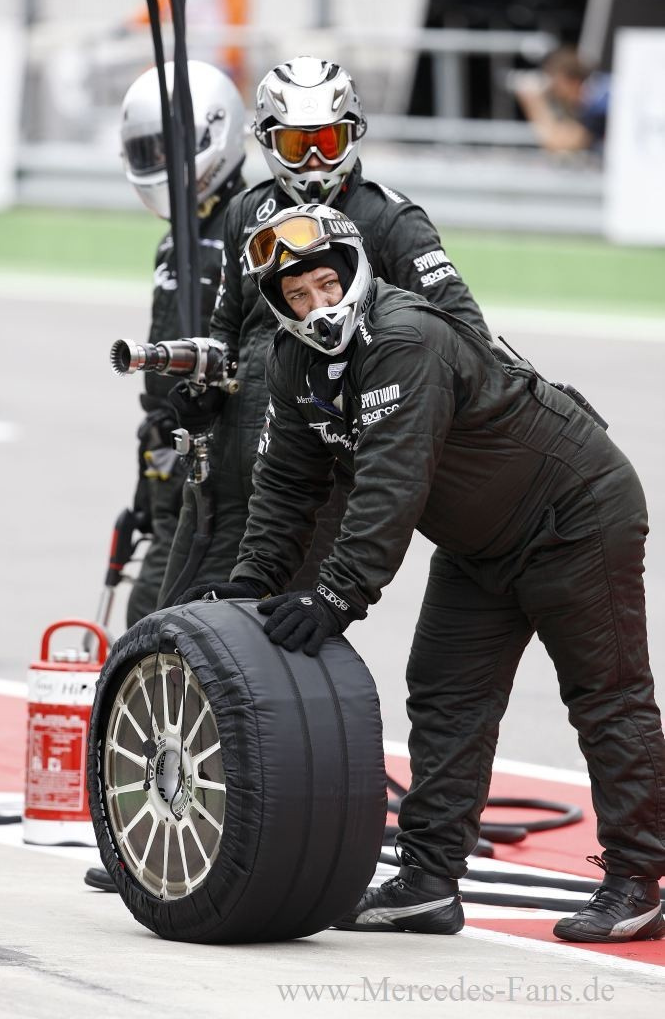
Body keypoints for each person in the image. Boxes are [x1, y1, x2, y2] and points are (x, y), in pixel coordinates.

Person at [182, 203, 665, 944]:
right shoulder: (291, 360)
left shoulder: (406, 337)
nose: (316, 304)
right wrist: (250, 585)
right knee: (444, 694)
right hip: (480, 541)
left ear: (354, 271)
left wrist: (335, 598)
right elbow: (286, 485)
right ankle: (427, 883)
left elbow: (390, 485)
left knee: (605, 695)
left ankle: (637, 881)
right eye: (297, 295)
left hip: (575, 513)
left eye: (325, 283)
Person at [157, 54, 490, 605]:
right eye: (296, 145)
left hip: (316, 484)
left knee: (279, 638)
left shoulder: (390, 220)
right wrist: (204, 392)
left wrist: (386, 407)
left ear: (354, 134)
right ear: (267, 142)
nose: (314, 160)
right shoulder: (244, 212)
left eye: (329, 141)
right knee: (170, 622)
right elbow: (227, 329)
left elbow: (466, 338)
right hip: (228, 474)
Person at [119, 59, 247, 626]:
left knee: (174, 619)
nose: (161, 165)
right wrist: (146, 484)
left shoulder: (252, 230)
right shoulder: (174, 243)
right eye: (149, 151)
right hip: (168, 454)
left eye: (169, 149)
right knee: (146, 616)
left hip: (221, 460)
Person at [512, 46, 609, 156]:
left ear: (571, 81)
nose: (554, 94)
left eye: (556, 86)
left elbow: (559, 143)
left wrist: (532, 101)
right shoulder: (599, 89)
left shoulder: (597, 103)